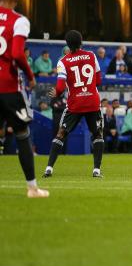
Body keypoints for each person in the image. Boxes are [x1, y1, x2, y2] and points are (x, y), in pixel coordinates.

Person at [0, 0, 48, 197]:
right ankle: (32, 188)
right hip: (8, 87)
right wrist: (30, 77)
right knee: (21, 133)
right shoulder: (19, 21)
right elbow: (18, 53)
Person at [44, 30, 104, 179]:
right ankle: (96, 170)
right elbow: (99, 80)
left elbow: (60, 87)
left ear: (67, 44)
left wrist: (56, 93)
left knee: (61, 134)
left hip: (75, 104)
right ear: (81, 41)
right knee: (97, 134)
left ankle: (49, 168)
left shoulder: (63, 61)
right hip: (92, 102)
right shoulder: (91, 55)